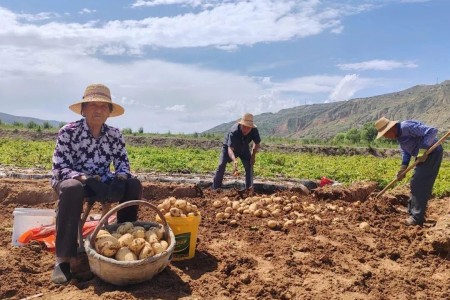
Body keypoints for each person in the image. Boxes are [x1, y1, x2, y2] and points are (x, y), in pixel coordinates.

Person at [51, 83, 142, 284]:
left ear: (109, 112)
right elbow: (59, 168)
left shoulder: (114, 134)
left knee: (133, 184)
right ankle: (63, 260)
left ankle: (123, 241)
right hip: (73, 181)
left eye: (103, 106)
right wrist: (85, 179)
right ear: (83, 109)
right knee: (72, 188)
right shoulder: (68, 132)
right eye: (92, 105)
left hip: (103, 181)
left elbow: (123, 165)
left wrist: (120, 179)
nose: (98, 110)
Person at [374, 117, 443, 226]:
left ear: (390, 129)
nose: (386, 137)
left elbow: (432, 131)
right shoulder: (400, 138)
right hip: (421, 156)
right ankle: (412, 213)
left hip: (432, 152)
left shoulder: (406, 127)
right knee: (414, 183)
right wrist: (403, 168)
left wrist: (423, 149)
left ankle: (416, 218)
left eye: (385, 134)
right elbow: (406, 153)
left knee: (420, 183)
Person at [212, 113, 261, 191]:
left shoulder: (254, 130)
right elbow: (230, 149)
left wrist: (253, 155)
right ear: (241, 125)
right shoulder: (234, 131)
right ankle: (215, 189)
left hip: (244, 146)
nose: (246, 129)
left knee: (249, 165)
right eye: (244, 127)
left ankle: (249, 189)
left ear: (251, 127)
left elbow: (257, 143)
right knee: (221, 165)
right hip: (228, 147)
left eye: (248, 128)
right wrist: (234, 160)